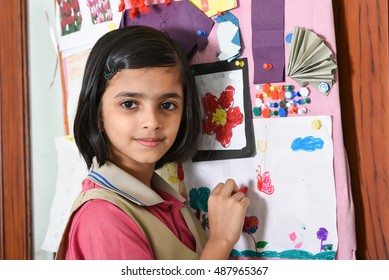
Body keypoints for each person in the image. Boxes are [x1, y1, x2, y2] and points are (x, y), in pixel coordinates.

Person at [56, 25, 249, 260]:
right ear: (97, 114)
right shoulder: (104, 217)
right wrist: (221, 241)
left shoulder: (164, 200)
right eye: (129, 104)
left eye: (167, 105)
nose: (152, 122)